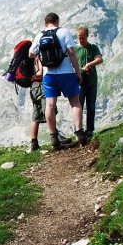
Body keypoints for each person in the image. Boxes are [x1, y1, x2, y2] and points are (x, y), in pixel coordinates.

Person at [28, 12, 87, 150]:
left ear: (45, 23)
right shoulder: (63, 32)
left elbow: (31, 54)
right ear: (58, 21)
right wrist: (78, 72)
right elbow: (72, 52)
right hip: (66, 72)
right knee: (75, 102)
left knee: (50, 105)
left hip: (49, 75)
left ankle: (54, 137)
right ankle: (79, 133)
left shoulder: (40, 35)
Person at [28, 54, 70, 152]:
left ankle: (34, 143)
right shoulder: (39, 55)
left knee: (36, 115)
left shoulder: (31, 55)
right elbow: (40, 72)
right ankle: (56, 137)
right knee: (49, 110)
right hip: (42, 85)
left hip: (34, 87)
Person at [74, 26, 103, 137]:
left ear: (87, 36)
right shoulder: (74, 49)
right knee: (78, 106)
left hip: (91, 81)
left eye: (83, 38)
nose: (81, 40)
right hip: (80, 82)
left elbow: (99, 59)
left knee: (91, 106)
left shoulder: (93, 47)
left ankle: (90, 130)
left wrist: (89, 64)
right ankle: (78, 130)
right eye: (79, 38)